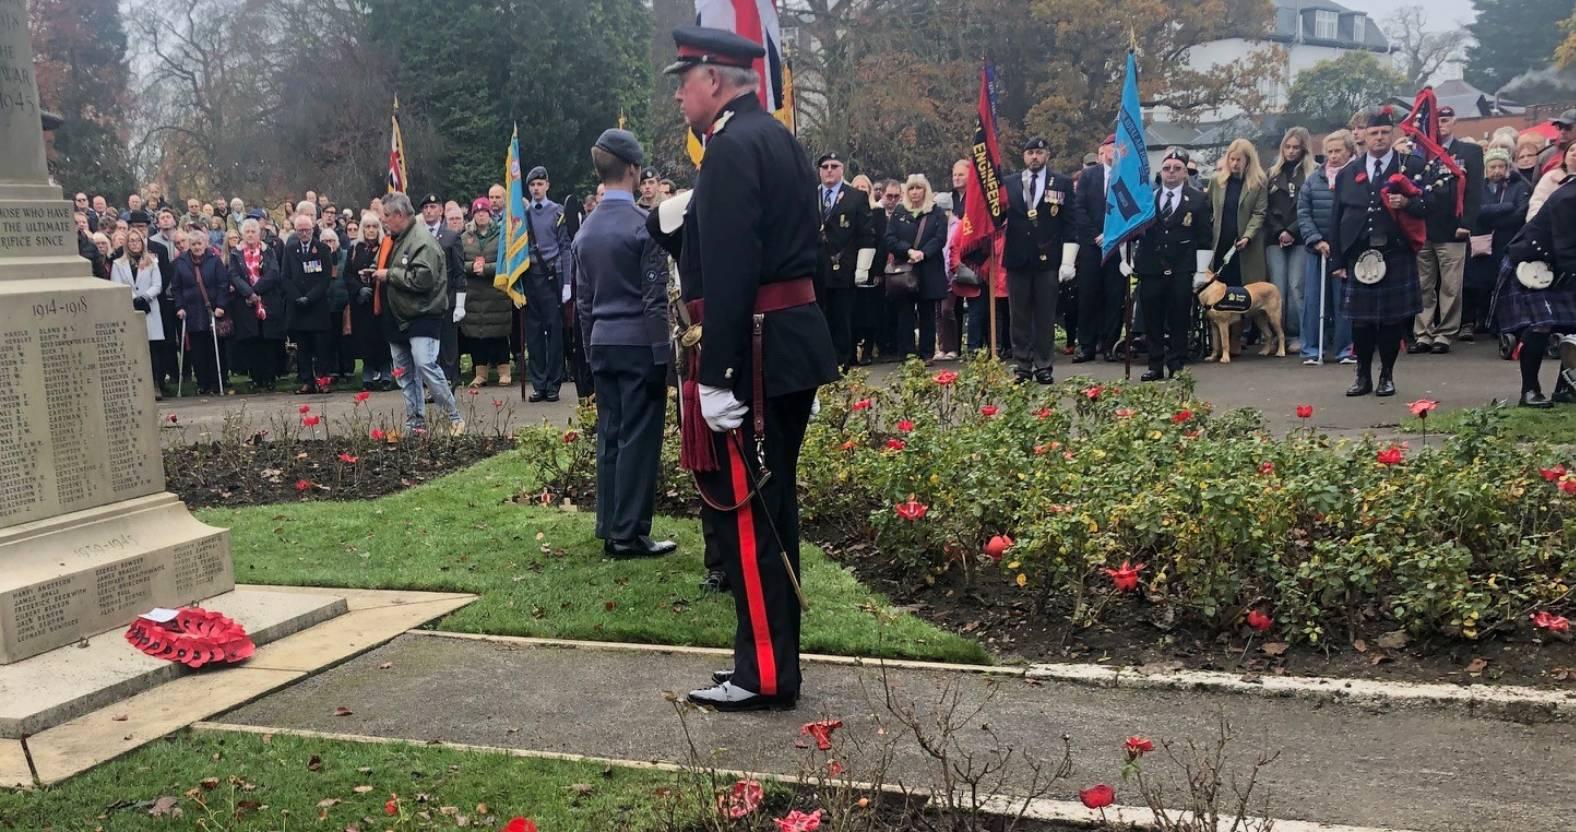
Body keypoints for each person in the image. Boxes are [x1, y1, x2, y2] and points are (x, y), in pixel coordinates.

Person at [651, 25, 837, 712]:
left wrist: (717, 376)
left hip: (753, 354)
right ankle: (774, 662)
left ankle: (762, 672)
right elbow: (810, 258)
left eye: (684, 81)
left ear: (717, 80)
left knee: (751, 518)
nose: (679, 96)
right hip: (792, 344)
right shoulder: (781, 141)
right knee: (775, 507)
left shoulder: (729, 150)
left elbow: (729, 275)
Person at [569, 128, 678, 559]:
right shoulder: (644, 226)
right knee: (639, 438)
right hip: (638, 343)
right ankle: (629, 532)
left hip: (601, 342)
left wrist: (589, 351)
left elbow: (582, 303)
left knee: (610, 435)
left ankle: (610, 524)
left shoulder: (585, 230)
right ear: (633, 170)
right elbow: (655, 302)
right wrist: (662, 357)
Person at [1331, 107, 1429, 398]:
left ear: (1393, 133)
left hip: (1395, 253)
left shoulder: (1410, 166)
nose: (1379, 138)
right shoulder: (1350, 171)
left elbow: (1430, 206)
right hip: (1358, 256)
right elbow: (1336, 217)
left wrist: (1408, 204)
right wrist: (1337, 259)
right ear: (1363, 136)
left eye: (1385, 132)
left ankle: (1387, 374)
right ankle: (1362, 375)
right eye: (1374, 133)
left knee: (1391, 321)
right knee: (1360, 322)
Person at [374, 192, 464, 434]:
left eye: (386, 215)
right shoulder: (396, 238)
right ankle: (415, 422)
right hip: (397, 315)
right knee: (404, 373)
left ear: (399, 215)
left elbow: (423, 279)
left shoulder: (421, 240)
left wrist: (389, 275)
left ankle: (454, 416)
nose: (383, 220)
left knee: (425, 364)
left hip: (422, 314)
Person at [1002, 137, 1079, 383]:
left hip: (1048, 258)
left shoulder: (1063, 183)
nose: (1034, 157)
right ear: (1023, 156)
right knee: (1019, 316)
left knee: (1046, 315)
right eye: (1030, 152)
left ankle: (1044, 366)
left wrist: (1068, 261)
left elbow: (1070, 223)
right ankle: (1022, 365)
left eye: (1039, 152)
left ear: (1047, 155)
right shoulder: (1010, 183)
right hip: (1017, 258)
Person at [1497, 172, 1576, 406]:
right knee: (1540, 325)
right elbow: (1566, 246)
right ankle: (1529, 391)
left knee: (1574, 326)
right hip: (1531, 263)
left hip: (1561, 263)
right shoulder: (1568, 199)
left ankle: (1566, 387)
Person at [1411, 105, 1484, 355]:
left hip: (1453, 227)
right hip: (1423, 227)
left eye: (1445, 119)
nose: (1441, 124)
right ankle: (1423, 333)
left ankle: (1444, 334)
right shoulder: (1419, 152)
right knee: (1423, 285)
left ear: (1454, 121)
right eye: (1436, 120)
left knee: (1451, 286)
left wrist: (1467, 224)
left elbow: (1475, 192)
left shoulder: (1469, 152)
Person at [1134, 148, 1212, 381]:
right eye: (1167, 168)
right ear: (1161, 171)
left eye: (1177, 169)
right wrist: (1126, 259)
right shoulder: (1147, 198)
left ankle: (1176, 363)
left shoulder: (1198, 199)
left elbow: (1204, 236)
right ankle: (1155, 364)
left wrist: (1201, 269)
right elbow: (1133, 232)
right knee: (1152, 317)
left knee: (1179, 316)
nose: (1171, 173)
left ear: (1185, 172)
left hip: (1181, 266)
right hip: (1151, 266)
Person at [1297, 130, 1357, 364]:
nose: (1332, 156)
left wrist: (1342, 243)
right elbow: (1303, 212)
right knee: (1313, 301)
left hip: (1345, 249)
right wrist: (1315, 239)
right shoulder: (1314, 178)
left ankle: (1345, 349)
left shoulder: (1355, 175)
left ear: (1349, 151)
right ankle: (1311, 349)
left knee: (1344, 300)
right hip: (1317, 249)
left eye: (1337, 151)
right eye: (1329, 151)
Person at [814, 152, 877, 369]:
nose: (829, 170)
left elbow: (866, 235)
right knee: (820, 316)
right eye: (824, 167)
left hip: (844, 266)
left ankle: (843, 361)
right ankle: (824, 363)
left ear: (842, 169)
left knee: (842, 316)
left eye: (834, 166)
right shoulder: (811, 196)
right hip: (817, 268)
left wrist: (863, 268)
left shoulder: (855, 197)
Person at [1466, 148, 1530, 342]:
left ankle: (1502, 323)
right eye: (1492, 166)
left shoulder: (1518, 186)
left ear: (1507, 167)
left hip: (1509, 241)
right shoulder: (1478, 187)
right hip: (1484, 243)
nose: (1497, 171)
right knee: (1483, 284)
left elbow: (1521, 212)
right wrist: (1506, 208)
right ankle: (1483, 321)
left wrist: (1493, 217)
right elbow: (1476, 211)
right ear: (1486, 169)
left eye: (1501, 166)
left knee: (1505, 285)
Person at [884, 174, 948, 363]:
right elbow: (890, 238)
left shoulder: (936, 212)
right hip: (905, 270)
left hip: (929, 268)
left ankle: (927, 353)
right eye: (911, 188)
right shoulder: (899, 212)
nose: (915, 192)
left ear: (925, 190)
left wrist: (924, 253)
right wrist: (908, 251)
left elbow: (940, 238)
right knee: (905, 313)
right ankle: (908, 354)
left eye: (918, 188)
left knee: (927, 313)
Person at [522, 167, 573, 402]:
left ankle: (554, 383)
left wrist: (567, 283)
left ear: (547, 186)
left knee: (554, 332)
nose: (536, 188)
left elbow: (565, 247)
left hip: (551, 277)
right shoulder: (522, 214)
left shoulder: (557, 212)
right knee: (533, 334)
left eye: (540, 184)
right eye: (532, 185)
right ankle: (538, 383)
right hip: (529, 276)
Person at [1073, 135, 1124, 362]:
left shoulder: (1127, 177)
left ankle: (1110, 344)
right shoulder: (1088, 176)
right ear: (1102, 150)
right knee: (1087, 296)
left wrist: (1113, 235)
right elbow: (1079, 207)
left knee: (1114, 296)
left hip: (1118, 247)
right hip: (1092, 247)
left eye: (1119, 147)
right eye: (1112, 147)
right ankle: (1086, 345)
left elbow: (1131, 211)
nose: (1115, 151)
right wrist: (1096, 235)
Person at [1265, 126, 1315, 347]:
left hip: (1301, 237)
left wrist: (1292, 231)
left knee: (1297, 286)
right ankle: (1278, 333)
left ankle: (1297, 332)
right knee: (1277, 287)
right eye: (1288, 146)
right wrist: (1279, 231)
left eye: (1296, 147)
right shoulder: (1272, 174)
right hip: (1275, 238)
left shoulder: (1312, 174)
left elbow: (1310, 208)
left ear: (1304, 149)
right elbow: (1263, 208)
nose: (1291, 151)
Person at [168, 228, 231, 396]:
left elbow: (223, 284)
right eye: (193, 244)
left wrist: (221, 306)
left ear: (205, 243)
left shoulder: (214, 260)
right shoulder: (181, 262)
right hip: (192, 312)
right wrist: (180, 307)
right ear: (189, 245)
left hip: (212, 310)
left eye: (199, 243)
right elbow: (176, 288)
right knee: (197, 350)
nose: (197, 247)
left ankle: (218, 382)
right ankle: (202, 383)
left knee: (215, 348)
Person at [227, 218, 285, 392]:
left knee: (267, 341)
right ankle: (256, 378)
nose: (250, 234)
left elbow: (273, 273)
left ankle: (269, 378)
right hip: (245, 304)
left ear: (259, 234)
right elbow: (234, 276)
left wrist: (256, 292)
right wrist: (249, 293)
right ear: (242, 234)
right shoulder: (235, 254)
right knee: (251, 342)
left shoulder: (269, 251)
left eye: (254, 231)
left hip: (266, 301)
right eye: (247, 232)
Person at [417, 193, 468, 387]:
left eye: (433, 207)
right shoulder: (418, 235)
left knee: (448, 346)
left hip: (447, 298)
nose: (429, 211)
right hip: (425, 300)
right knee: (429, 346)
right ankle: (432, 385)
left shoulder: (451, 236)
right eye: (426, 208)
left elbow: (459, 271)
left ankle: (450, 382)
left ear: (440, 210)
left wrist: (460, 304)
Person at [281, 212, 335, 394]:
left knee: (321, 347)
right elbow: (285, 277)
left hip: (317, 306)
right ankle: (307, 381)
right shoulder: (290, 250)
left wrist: (310, 297)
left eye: (307, 230)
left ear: (312, 230)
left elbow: (326, 278)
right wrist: (297, 297)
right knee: (303, 347)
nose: (304, 233)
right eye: (300, 230)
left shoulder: (322, 249)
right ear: (296, 231)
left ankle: (323, 380)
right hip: (298, 307)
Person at [1206, 138, 1268, 290]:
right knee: (1218, 287)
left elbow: (1259, 212)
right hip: (1220, 243)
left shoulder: (1259, 182)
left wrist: (1248, 236)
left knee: (1244, 288)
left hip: (1245, 245)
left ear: (1248, 160)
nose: (1234, 163)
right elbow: (1208, 208)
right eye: (1231, 159)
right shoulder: (1216, 180)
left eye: (1239, 160)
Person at [111, 229, 166, 398]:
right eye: (131, 241)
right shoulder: (118, 264)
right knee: (135, 347)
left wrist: (145, 297)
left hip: (150, 307)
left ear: (143, 243)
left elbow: (157, 284)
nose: (135, 244)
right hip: (130, 307)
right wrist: (134, 298)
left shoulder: (152, 261)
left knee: (153, 349)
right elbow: (117, 284)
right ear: (127, 244)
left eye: (138, 241)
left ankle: (156, 383)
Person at [460, 197, 510, 387]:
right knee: (476, 335)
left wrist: (488, 269)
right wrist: (472, 266)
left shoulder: (501, 235)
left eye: (484, 212)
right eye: (477, 212)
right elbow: (458, 262)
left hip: (496, 291)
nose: (481, 215)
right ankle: (480, 373)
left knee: (498, 333)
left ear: (490, 215)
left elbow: (506, 261)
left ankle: (504, 371)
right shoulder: (465, 237)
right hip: (474, 293)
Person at [345, 211, 394, 391]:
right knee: (364, 339)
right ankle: (368, 373)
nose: (371, 230)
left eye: (374, 226)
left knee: (383, 337)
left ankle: (386, 373)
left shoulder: (385, 247)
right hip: (362, 303)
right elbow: (348, 275)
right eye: (367, 227)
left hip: (381, 298)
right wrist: (359, 289)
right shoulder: (354, 249)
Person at [849, 175, 886, 365]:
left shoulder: (877, 213)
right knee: (852, 313)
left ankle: (868, 350)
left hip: (871, 270)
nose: (861, 190)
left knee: (869, 313)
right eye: (857, 187)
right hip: (850, 268)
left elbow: (881, 243)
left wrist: (878, 270)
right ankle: (851, 351)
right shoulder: (848, 210)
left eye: (865, 187)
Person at [1529, 142, 1576, 221]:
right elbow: (1537, 201)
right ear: (1565, 157)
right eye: (1571, 150)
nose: (1574, 153)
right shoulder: (1550, 177)